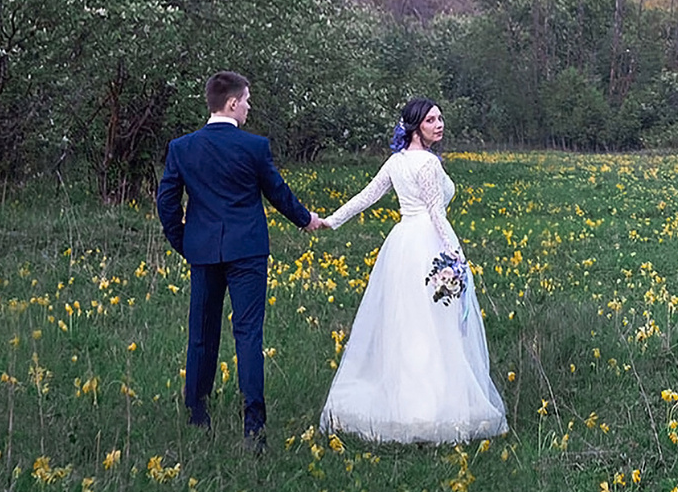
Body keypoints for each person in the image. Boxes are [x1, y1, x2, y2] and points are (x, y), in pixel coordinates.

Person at [317, 97, 507, 443]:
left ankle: (406, 399)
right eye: (432, 120)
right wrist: (454, 258)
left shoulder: (397, 161)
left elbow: (366, 196)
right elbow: (436, 213)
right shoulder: (427, 165)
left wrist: (332, 220)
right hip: (429, 245)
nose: (440, 124)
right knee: (433, 326)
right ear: (416, 126)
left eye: (440, 118)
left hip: (402, 246)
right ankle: (431, 407)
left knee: (408, 322)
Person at [156, 70, 329, 439]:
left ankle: (197, 414)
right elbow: (277, 192)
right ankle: (254, 421)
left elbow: (166, 203)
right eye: (247, 100)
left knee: (201, 333)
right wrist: (306, 220)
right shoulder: (254, 147)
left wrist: (184, 242)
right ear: (232, 103)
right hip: (247, 250)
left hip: (202, 250)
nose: (249, 107)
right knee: (248, 333)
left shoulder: (182, 148)